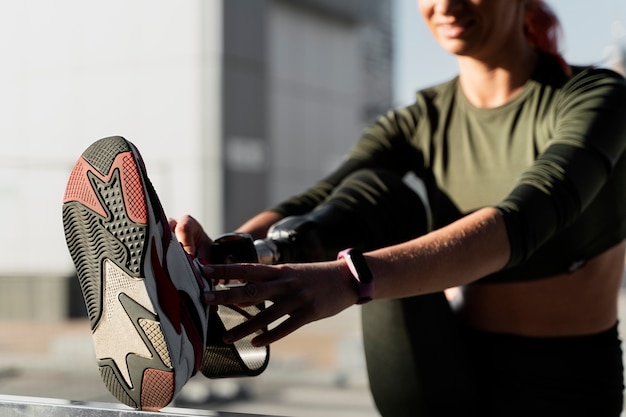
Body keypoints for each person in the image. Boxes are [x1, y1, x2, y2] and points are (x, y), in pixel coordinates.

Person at [172, 0, 626, 415]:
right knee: (376, 193)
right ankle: (210, 278)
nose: (445, 5)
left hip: (567, 385)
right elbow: (323, 196)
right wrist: (235, 247)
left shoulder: (594, 96)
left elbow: (528, 217)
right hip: (443, 363)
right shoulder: (419, 118)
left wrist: (350, 279)